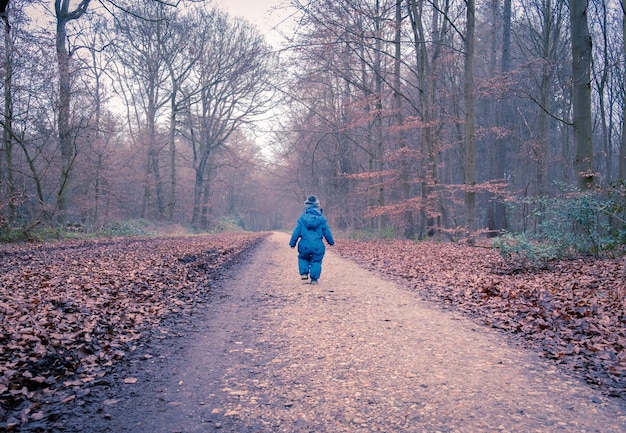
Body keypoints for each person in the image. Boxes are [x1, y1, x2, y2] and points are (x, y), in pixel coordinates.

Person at [289, 195, 335, 284]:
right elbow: (327, 232)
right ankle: (314, 279)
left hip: (304, 244)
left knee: (303, 258)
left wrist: (292, 243)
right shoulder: (322, 219)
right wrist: (331, 242)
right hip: (317, 245)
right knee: (316, 260)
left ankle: (304, 274)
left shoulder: (302, 219)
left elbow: (296, 232)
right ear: (318, 207)